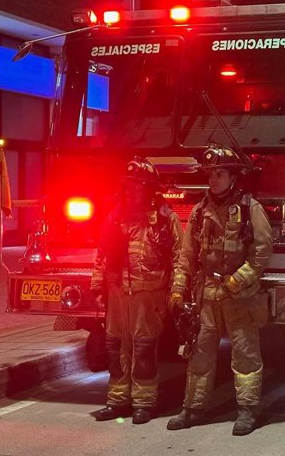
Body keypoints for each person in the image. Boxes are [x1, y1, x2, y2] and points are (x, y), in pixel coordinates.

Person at [167, 146, 272, 436]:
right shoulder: (200, 211)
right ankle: (193, 408)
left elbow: (262, 253)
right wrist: (178, 289)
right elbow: (186, 254)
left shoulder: (251, 209)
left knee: (245, 354)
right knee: (199, 354)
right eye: (210, 174)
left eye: (220, 173)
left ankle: (248, 410)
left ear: (233, 176)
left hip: (240, 296)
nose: (213, 180)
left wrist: (238, 280)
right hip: (207, 295)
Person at [90, 158, 183, 424]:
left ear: (150, 189)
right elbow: (103, 252)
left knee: (143, 349)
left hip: (150, 293)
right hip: (118, 292)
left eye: (139, 187)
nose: (133, 191)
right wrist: (98, 285)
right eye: (129, 186)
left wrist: (176, 291)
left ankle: (144, 403)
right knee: (115, 347)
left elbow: (180, 256)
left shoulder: (166, 218)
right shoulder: (115, 216)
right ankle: (118, 401)